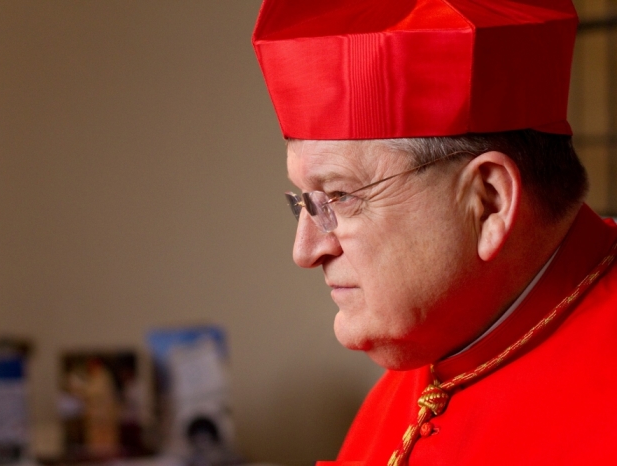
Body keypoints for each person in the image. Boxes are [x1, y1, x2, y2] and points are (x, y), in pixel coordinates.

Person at [252, 1, 617, 465]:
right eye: (304, 202)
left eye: (340, 196)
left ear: (488, 201)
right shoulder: (440, 341)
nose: (305, 251)